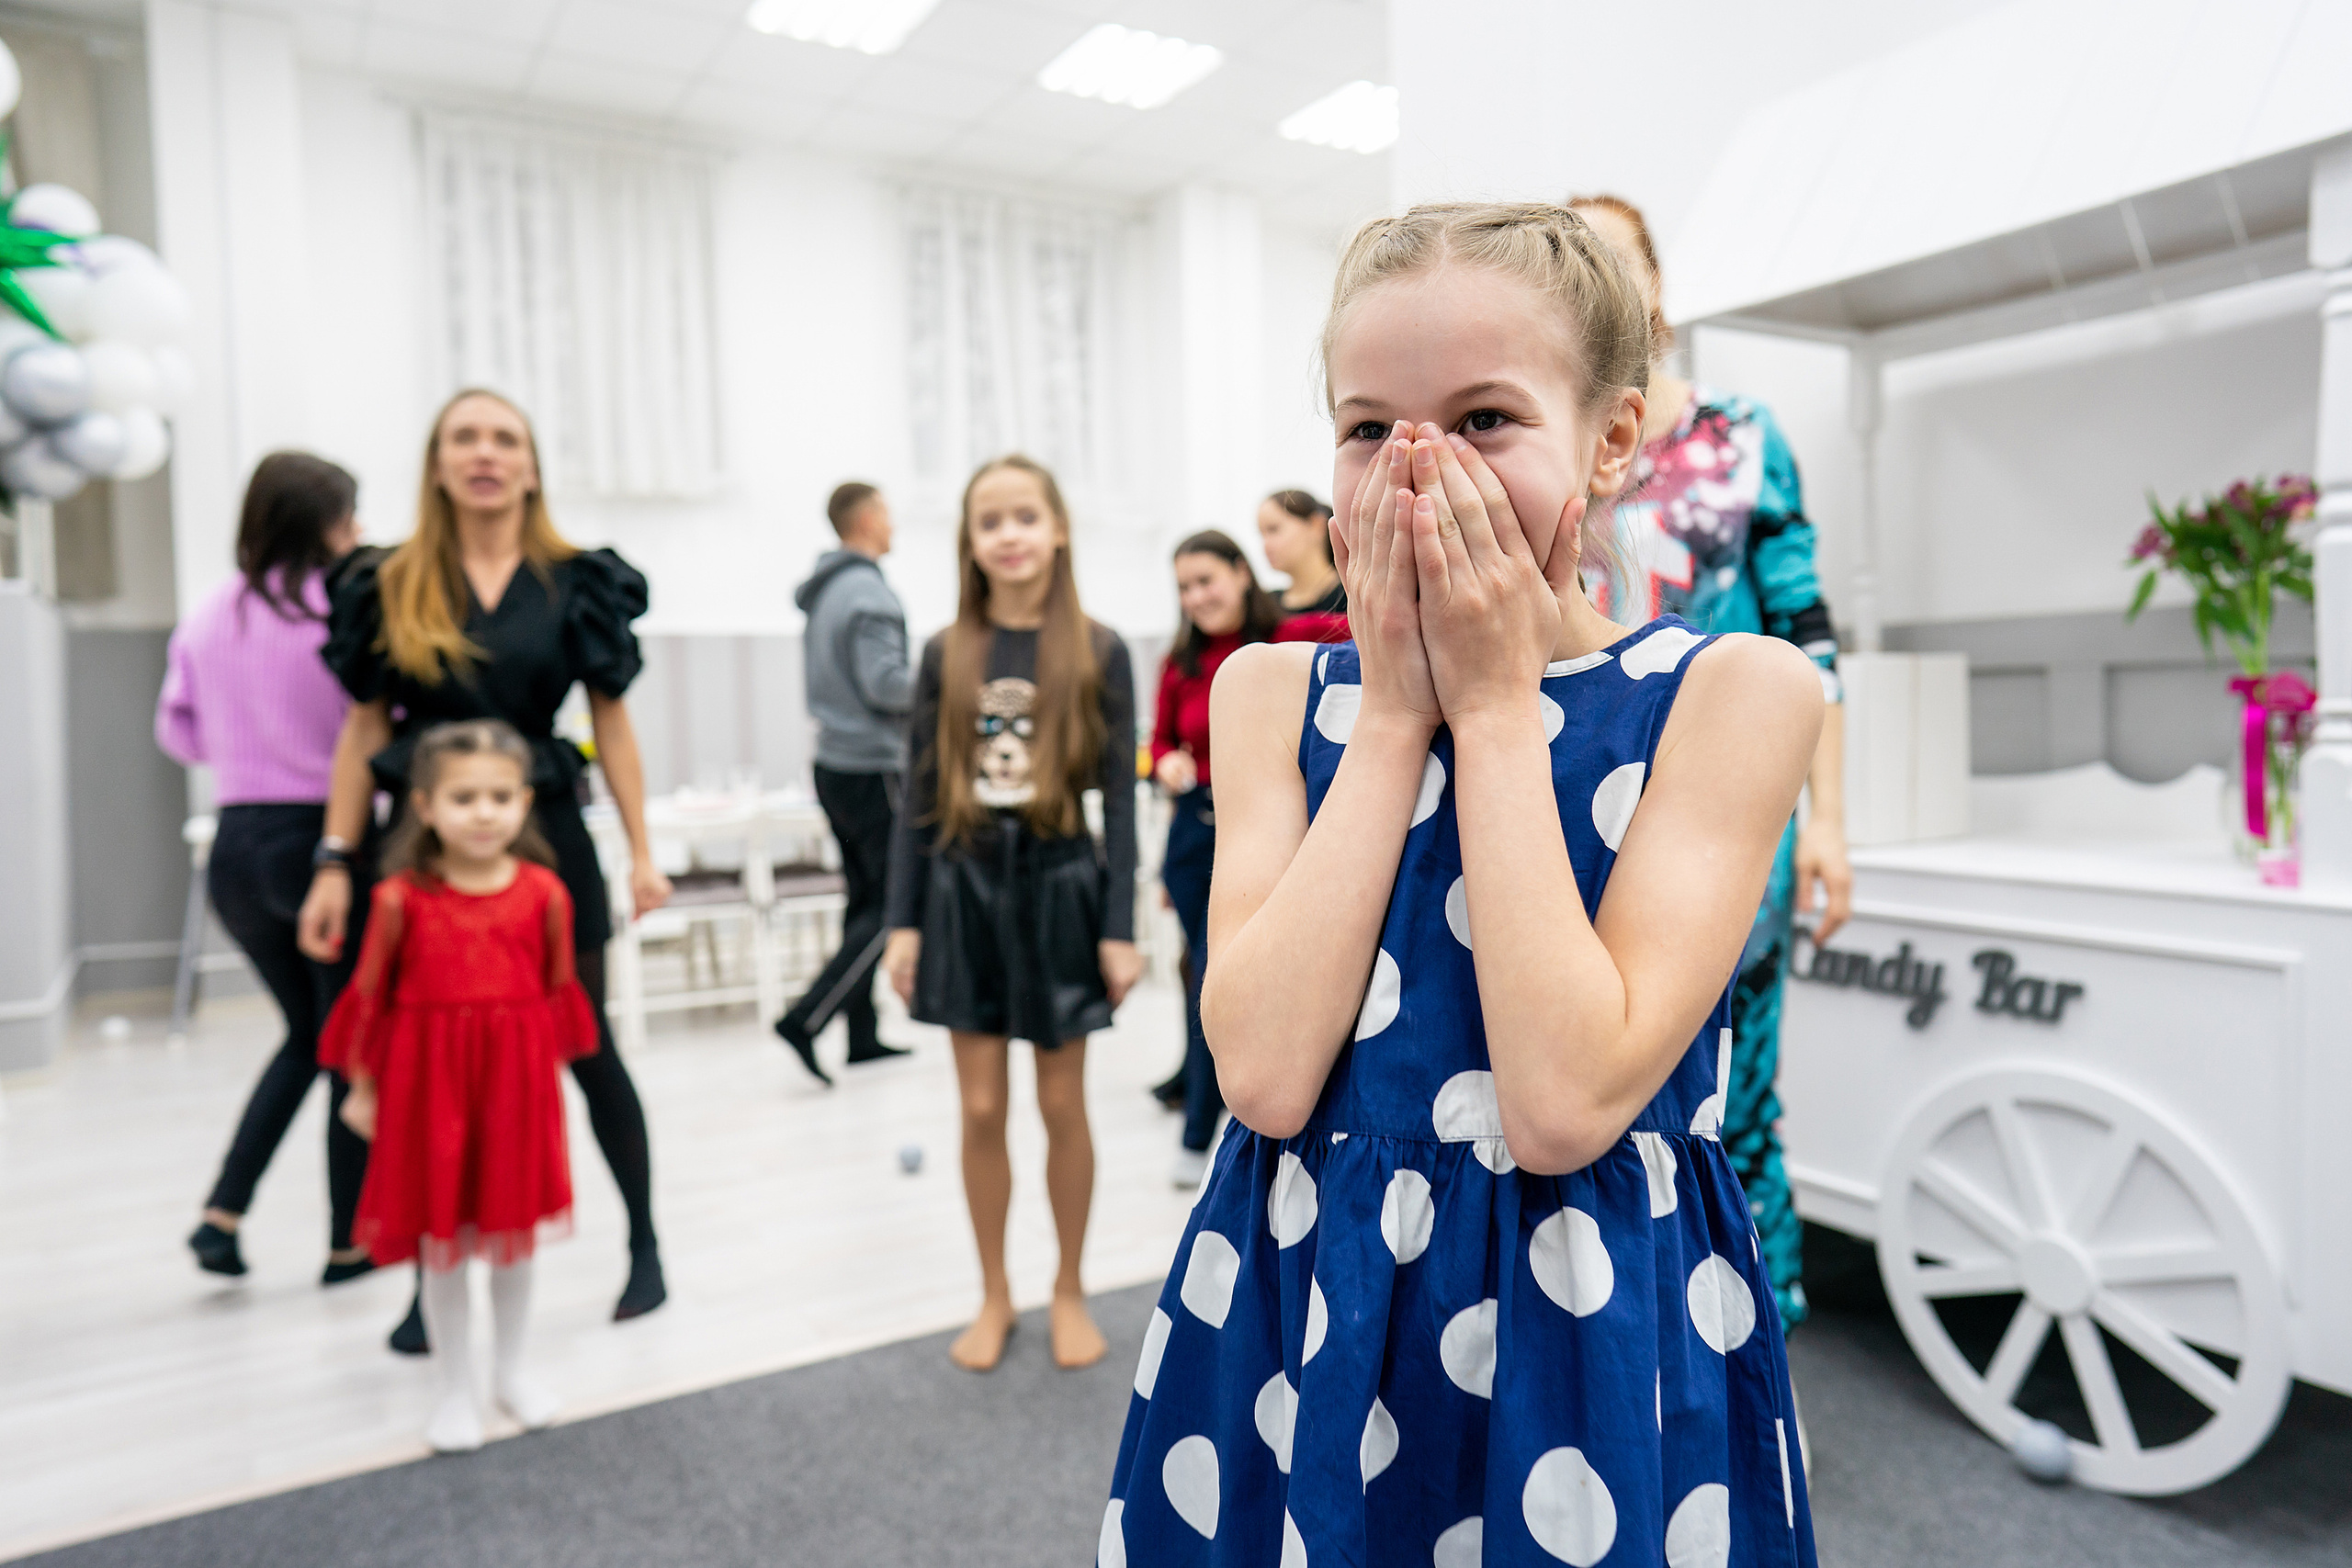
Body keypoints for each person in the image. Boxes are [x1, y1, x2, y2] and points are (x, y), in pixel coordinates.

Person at [1103, 203, 1823, 1566]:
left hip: (1581, 1327)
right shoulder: (1268, 693)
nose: (1418, 473)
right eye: (1370, 428)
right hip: (1307, 1304)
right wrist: (1391, 718)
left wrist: (1493, 711)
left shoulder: (1730, 693)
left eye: (1485, 417)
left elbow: (1560, 1103)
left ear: (1610, 442)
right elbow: (1259, 1071)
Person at [299, 388, 673, 1344]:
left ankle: (644, 1245)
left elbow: (613, 729)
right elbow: (361, 733)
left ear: (530, 465)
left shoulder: (577, 581)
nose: (485, 454)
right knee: (426, 1064)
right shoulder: (389, 582)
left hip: (547, 830)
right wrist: (337, 860)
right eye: (464, 437)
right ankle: (434, 1283)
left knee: (584, 1045)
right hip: (422, 847)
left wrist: (640, 852)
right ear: (436, 463)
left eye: (504, 438)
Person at [1573, 192, 1853, 1332]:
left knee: (1729, 1102)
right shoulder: (1535, 437)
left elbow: (1809, 637)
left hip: (1729, 817)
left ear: (1656, 293)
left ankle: (1757, 1356)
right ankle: (1617, 1359)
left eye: (1612, 256)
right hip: (1573, 810)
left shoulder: (1741, 435)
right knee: (1591, 1105)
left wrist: (1827, 819)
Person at [881, 454, 1140, 1374]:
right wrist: (902, 922)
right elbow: (917, 796)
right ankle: (995, 1290)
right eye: (990, 520)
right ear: (970, 542)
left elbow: (1120, 800)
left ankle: (1068, 1284)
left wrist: (1120, 927)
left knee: (1061, 1102)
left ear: (1058, 528)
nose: (1010, 534)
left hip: (1064, 886)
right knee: (981, 1105)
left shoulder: (1101, 649)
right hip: (963, 888)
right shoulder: (946, 653)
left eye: (1025, 515)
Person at [322, 719, 599, 1451]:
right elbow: (370, 1002)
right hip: (429, 1095)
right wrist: (362, 1088)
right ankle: (453, 1387)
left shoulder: (545, 893)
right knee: (444, 1242)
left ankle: (510, 1370)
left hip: (514, 1093)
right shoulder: (397, 900)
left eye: (501, 795)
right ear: (425, 804)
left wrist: (547, 1090)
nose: (484, 811)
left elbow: (558, 993)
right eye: (465, 795)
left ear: (525, 801)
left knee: (512, 1242)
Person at [160, 452, 372, 1284]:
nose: (357, 533)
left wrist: (253, 748)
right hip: (324, 845)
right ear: (326, 522)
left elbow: (179, 734)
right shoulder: (341, 609)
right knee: (349, 1044)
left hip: (236, 845)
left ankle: (222, 1214)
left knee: (309, 1036)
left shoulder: (211, 614)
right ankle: (347, 1243)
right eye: (349, 516)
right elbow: (374, 722)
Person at [774, 481, 916, 1085]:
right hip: (870, 765)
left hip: (835, 763)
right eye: (886, 511)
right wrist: (945, 679)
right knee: (891, 903)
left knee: (863, 898)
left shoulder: (829, 588)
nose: (893, 522)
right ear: (864, 519)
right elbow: (885, 685)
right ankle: (807, 1018)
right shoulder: (867, 592)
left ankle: (862, 1035)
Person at [1150, 530, 1280, 1188]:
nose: (1196, 597)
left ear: (1241, 573)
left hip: (1268, 834)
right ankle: (1201, 1132)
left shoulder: (1282, 640)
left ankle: (1240, 1121)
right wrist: (1164, 762)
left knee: (1251, 981)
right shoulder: (1181, 663)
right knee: (1206, 981)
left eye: (1207, 580)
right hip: (1195, 837)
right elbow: (1158, 745)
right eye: (1184, 587)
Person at [1257, 488, 1351, 643]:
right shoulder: (1267, 605)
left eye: (1273, 529)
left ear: (1316, 525)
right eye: (1261, 534)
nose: (1265, 545)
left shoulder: (1351, 593)